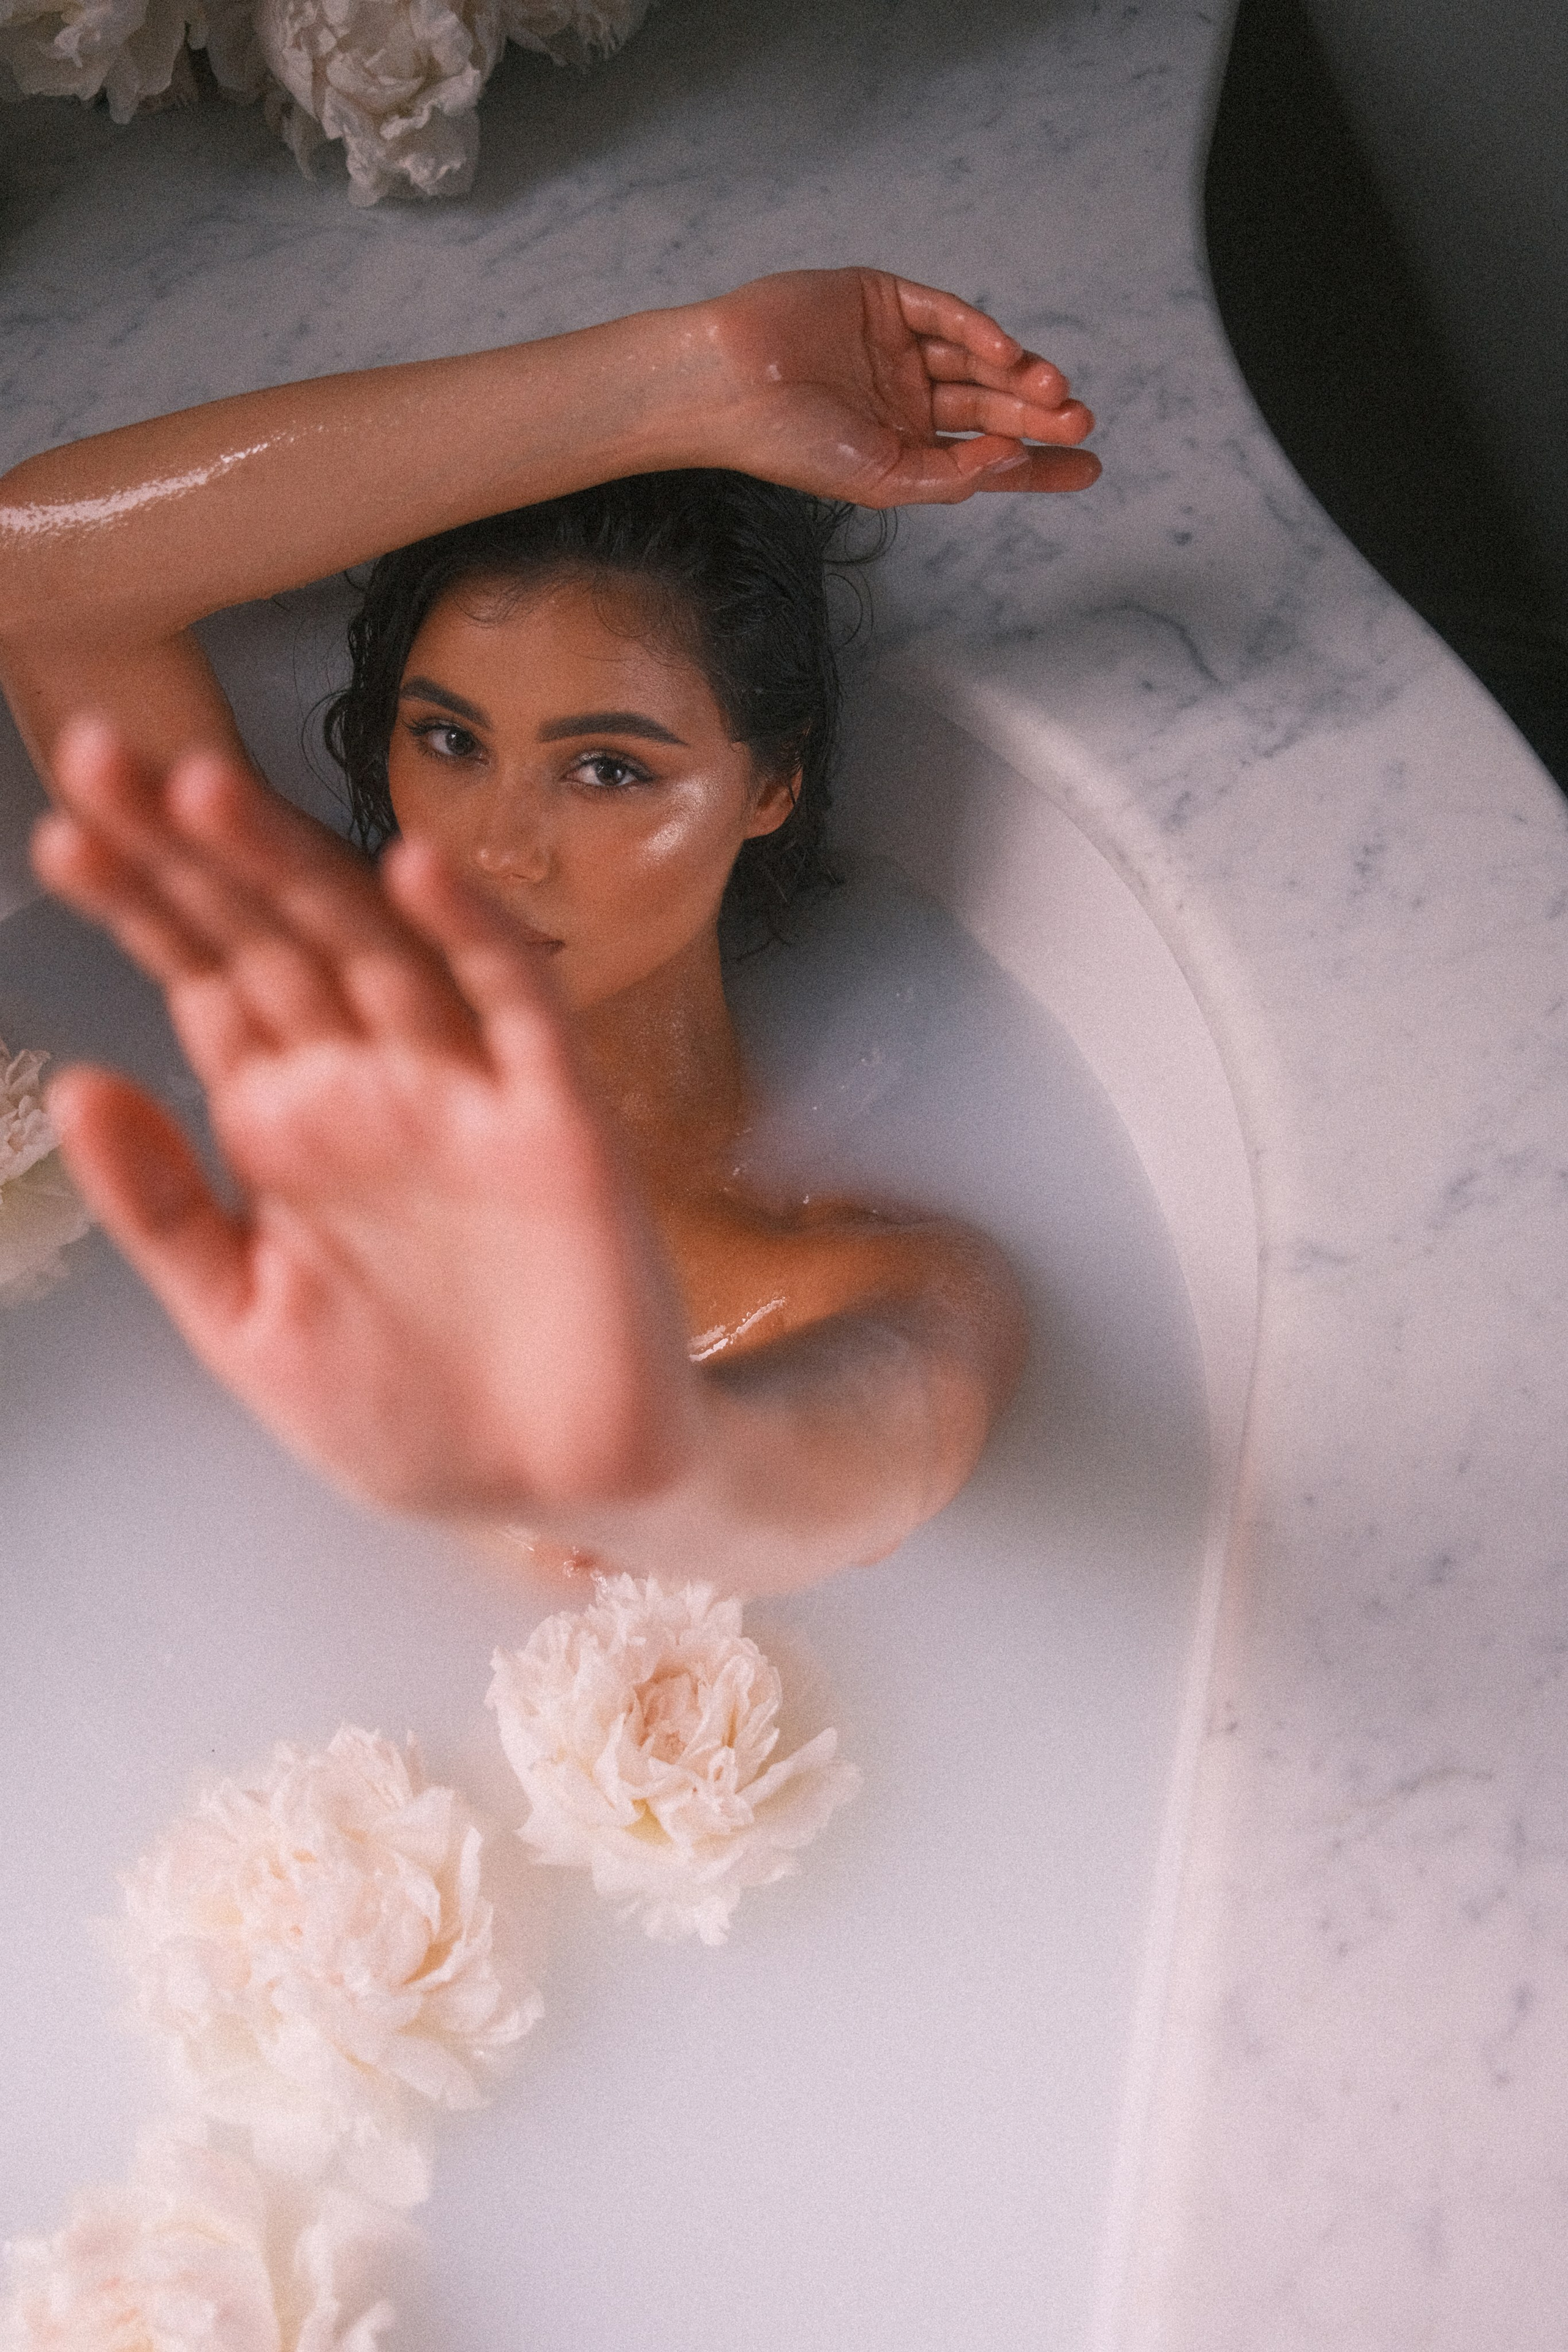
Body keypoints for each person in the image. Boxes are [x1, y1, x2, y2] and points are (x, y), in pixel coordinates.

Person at [0, 266, 1099, 1593]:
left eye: (607, 770)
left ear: (768, 786)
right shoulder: (323, 1026)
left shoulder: (861, 1272)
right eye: (450, 740)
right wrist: (683, 379)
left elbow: (863, 1443)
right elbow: (35, 575)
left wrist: (654, 1463)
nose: (498, 851)